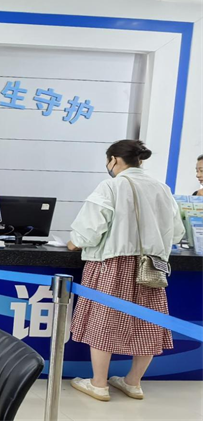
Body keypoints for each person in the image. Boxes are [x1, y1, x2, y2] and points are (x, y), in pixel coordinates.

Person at [67, 140, 185, 402]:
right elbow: (177, 232)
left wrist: (74, 242)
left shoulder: (111, 186)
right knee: (147, 323)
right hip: (151, 266)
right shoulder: (162, 188)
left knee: (103, 321)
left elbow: (89, 229)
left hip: (113, 264)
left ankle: (99, 384)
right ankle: (133, 382)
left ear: (114, 159)